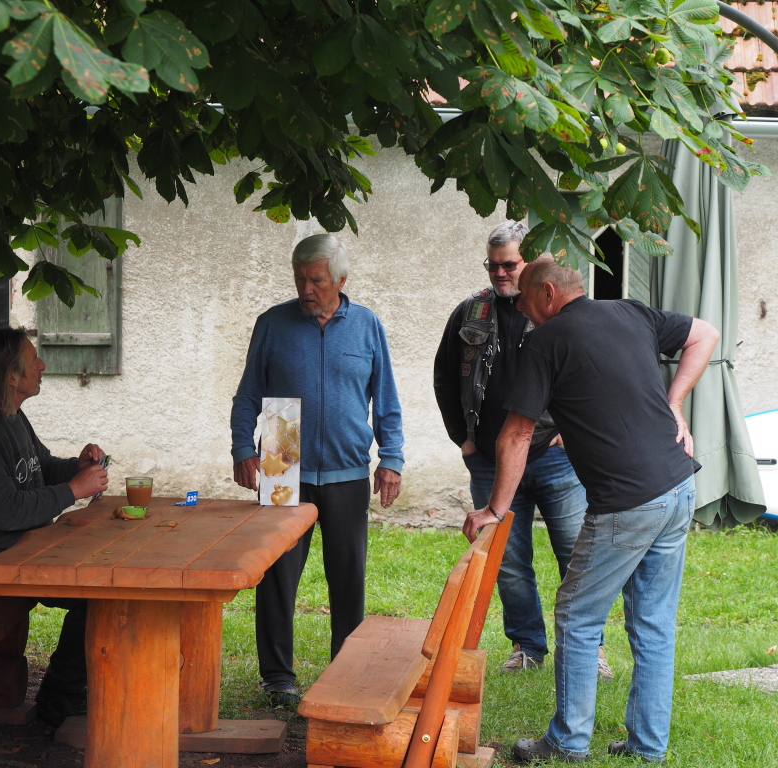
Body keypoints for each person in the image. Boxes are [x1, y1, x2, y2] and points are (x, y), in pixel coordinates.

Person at [463, 256, 718, 764]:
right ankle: (646, 747)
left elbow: (516, 434)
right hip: (678, 487)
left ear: (548, 293)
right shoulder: (631, 312)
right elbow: (705, 334)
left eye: (527, 301)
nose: (523, 311)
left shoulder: (545, 341)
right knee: (653, 623)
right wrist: (675, 402)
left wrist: (495, 509)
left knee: (577, 616)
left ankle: (567, 741)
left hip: (628, 502)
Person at [230, 233, 405, 706]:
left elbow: (386, 400)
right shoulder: (273, 323)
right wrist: (243, 448)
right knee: (277, 576)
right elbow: (248, 395)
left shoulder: (367, 325)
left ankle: (343, 673)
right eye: (300, 279)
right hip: (282, 453)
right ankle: (277, 678)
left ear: (340, 281)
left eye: (317, 281)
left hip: (348, 466)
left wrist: (391, 458)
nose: (307, 289)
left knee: (347, 579)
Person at [433, 222, 607, 677]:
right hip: (490, 462)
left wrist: (572, 430)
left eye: (509, 265)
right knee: (508, 562)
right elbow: (444, 376)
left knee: (575, 555)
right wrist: (463, 438)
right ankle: (527, 646)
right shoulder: (470, 311)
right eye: (492, 265)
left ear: (531, 263)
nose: (499, 273)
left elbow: (589, 372)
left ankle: (591, 649)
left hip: (555, 457)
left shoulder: (555, 310)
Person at [0, 327, 109, 728]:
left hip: (23, 548)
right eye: (34, 360)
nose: (43, 365)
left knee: (106, 583)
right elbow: (7, 512)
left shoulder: (11, 416)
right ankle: (58, 702)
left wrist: (77, 468)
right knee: (99, 594)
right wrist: (74, 490)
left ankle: (69, 692)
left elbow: (41, 468)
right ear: (12, 377)